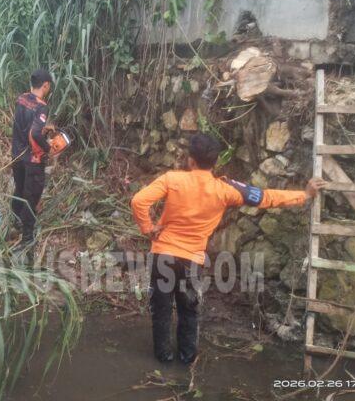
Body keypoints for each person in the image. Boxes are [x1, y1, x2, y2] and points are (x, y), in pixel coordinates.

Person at [130, 133, 326, 364]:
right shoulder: (225, 189)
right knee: (188, 311)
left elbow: (138, 201)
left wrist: (148, 228)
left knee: (162, 310)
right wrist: (304, 195)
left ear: (191, 160)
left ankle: (163, 359)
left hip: (163, 254)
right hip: (192, 260)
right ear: (214, 162)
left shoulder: (172, 179)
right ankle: (186, 359)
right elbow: (265, 197)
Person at [10, 69, 54, 251]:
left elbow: (24, 126)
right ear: (45, 85)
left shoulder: (21, 99)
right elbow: (35, 133)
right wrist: (48, 147)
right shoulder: (41, 106)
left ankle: (16, 223)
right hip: (32, 159)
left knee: (19, 189)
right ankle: (27, 237)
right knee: (31, 195)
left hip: (16, 155)